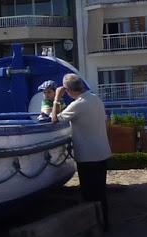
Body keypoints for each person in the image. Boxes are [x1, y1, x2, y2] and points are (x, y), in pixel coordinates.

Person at [48, 74, 112, 222]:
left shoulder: (79, 104)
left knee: (89, 193)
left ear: (68, 90)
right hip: (102, 152)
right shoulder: (96, 99)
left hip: (87, 156)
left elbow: (55, 119)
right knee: (100, 191)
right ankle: (105, 222)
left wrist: (57, 97)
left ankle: (95, 223)